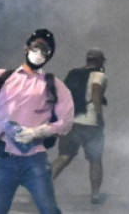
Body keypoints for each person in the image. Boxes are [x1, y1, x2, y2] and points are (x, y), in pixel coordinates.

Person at [0, 28, 74, 214]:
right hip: (2, 160)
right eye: (37, 46)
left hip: (34, 160)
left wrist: (36, 132)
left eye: (46, 50)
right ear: (26, 48)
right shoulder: (5, 78)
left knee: (50, 210)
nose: (40, 53)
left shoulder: (54, 85)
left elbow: (66, 121)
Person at [51, 48, 108, 204]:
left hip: (71, 122)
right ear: (98, 61)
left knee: (64, 157)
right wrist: (99, 116)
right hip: (90, 124)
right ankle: (95, 195)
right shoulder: (99, 75)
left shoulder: (73, 74)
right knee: (95, 159)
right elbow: (96, 93)